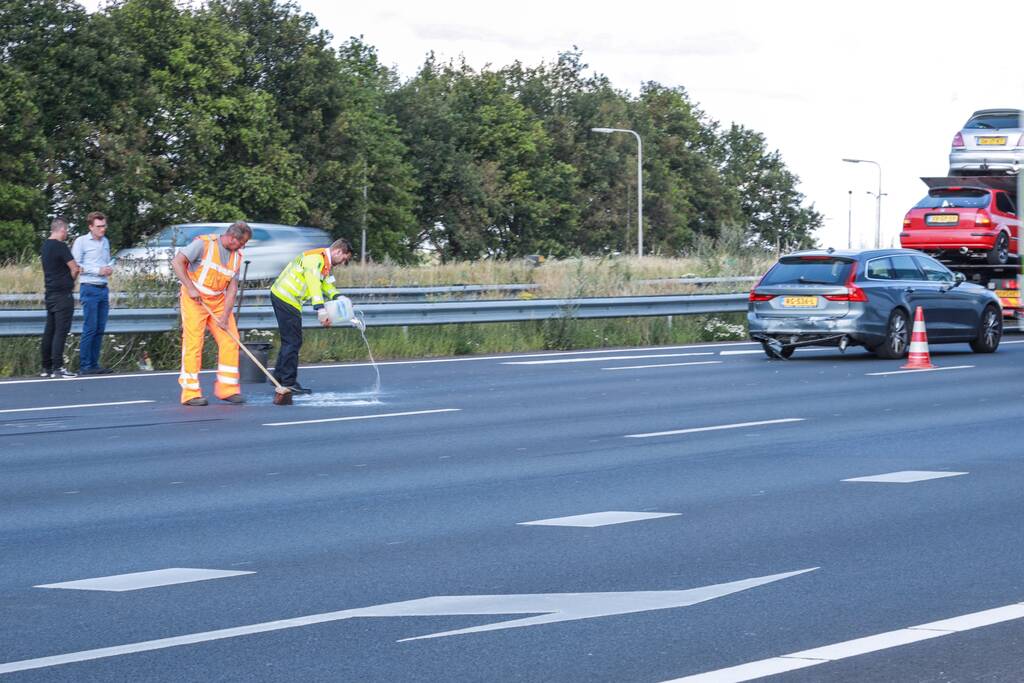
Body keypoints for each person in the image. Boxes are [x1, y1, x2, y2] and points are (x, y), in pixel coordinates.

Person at [171, 221, 251, 406]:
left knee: (231, 340)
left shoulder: (237, 257)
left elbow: (232, 290)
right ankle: (190, 393)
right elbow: (177, 262)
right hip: (194, 300)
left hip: (218, 302)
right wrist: (190, 288)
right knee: (193, 343)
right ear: (232, 238)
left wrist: (224, 316)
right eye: (242, 242)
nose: (243, 246)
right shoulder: (203, 244)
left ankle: (227, 389)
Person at [270, 238, 353, 394]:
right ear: (338, 251)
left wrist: (338, 296)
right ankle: (288, 382)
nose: (342, 262)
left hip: (286, 298)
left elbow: (325, 284)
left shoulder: (323, 261)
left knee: (290, 340)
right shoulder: (316, 259)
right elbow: (313, 283)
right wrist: (320, 309)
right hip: (286, 297)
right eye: (344, 258)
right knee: (293, 341)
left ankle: (279, 376)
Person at [71, 211, 113, 374]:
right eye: (99, 226)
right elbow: (76, 265)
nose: (102, 229)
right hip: (89, 287)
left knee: (100, 328)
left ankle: (94, 364)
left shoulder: (105, 242)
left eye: (104, 226)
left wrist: (109, 268)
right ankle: (85, 365)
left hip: (103, 288)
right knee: (90, 327)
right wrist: (97, 271)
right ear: (91, 227)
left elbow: (106, 262)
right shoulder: (81, 242)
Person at [40, 217, 80, 378]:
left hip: (49, 293)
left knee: (49, 330)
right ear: (62, 229)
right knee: (60, 331)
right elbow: (75, 268)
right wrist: (72, 280)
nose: (67, 233)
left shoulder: (45, 246)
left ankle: (46, 367)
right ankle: (58, 367)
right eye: (66, 231)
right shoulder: (60, 246)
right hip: (63, 294)